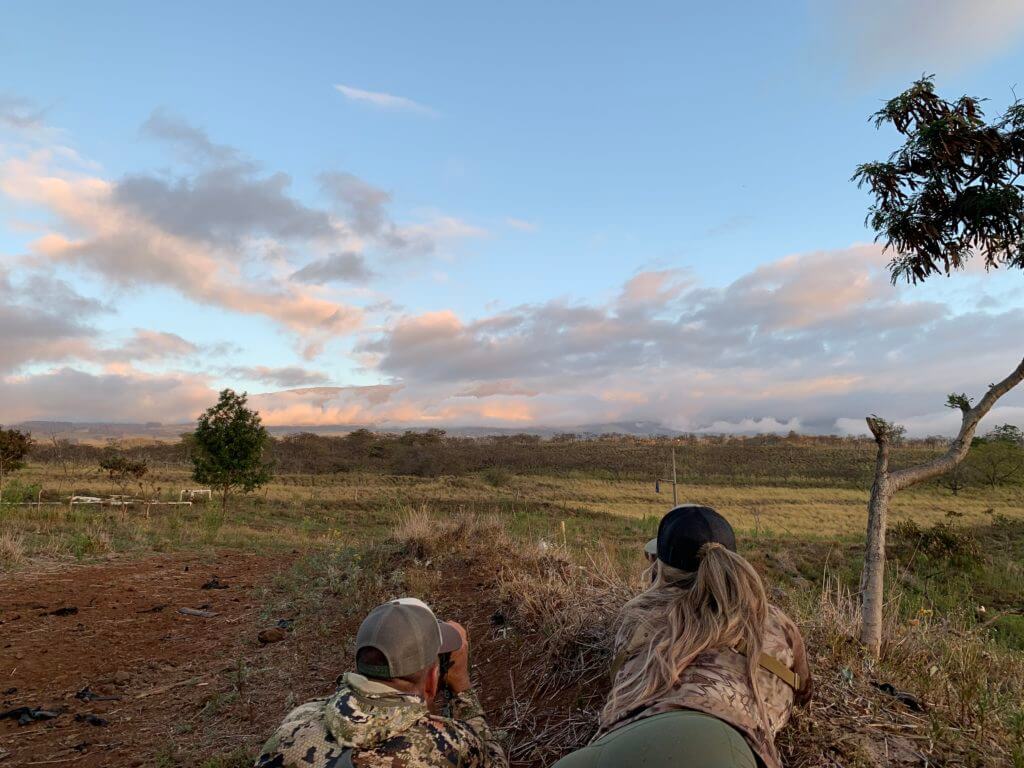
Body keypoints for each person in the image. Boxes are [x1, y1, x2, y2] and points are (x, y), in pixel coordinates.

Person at [555, 505, 812, 768]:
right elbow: (804, 692)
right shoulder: (773, 620)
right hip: (725, 745)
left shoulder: (636, 619)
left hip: (619, 743)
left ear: (660, 569)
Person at [254, 597, 508, 768]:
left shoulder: (297, 720)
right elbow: (495, 760)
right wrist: (461, 687)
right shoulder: (450, 744)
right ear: (432, 679)